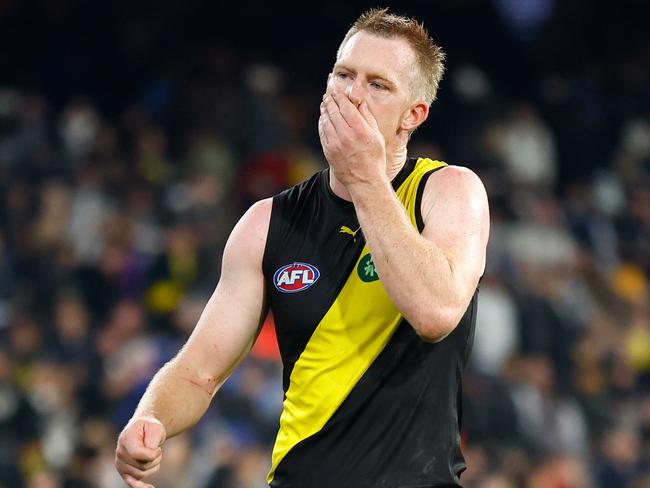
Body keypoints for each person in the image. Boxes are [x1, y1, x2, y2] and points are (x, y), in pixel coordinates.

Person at [115, 8, 490, 488]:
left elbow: (435, 310)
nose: (352, 94)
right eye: (343, 74)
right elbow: (197, 372)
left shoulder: (450, 191)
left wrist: (364, 176)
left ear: (413, 115)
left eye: (378, 85)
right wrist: (152, 419)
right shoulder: (267, 223)